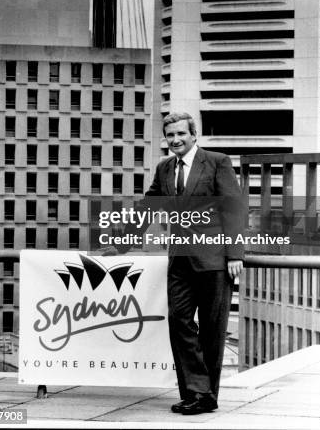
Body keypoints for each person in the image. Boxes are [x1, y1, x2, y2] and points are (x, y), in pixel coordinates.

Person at [105, 112, 245, 415]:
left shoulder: (217, 161)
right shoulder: (165, 168)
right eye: (170, 135)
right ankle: (198, 392)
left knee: (212, 330)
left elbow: (232, 207)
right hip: (179, 259)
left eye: (181, 133)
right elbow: (149, 206)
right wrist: (122, 245)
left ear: (194, 134)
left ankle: (203, 396)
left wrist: (235, 253)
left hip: (214, 259)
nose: (175, 140)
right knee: (179, 321)